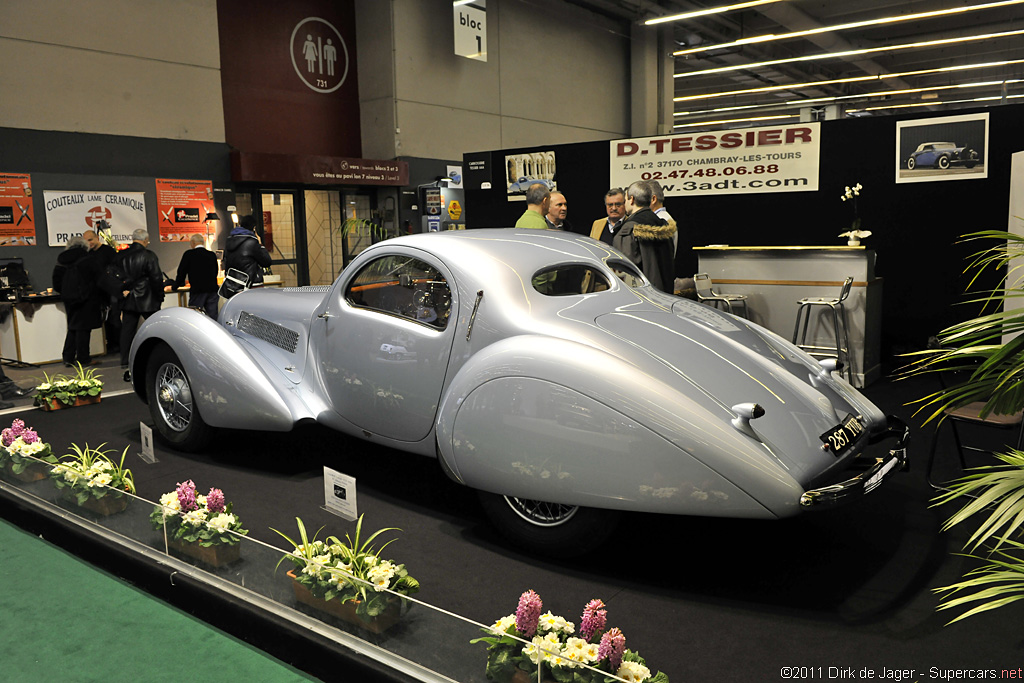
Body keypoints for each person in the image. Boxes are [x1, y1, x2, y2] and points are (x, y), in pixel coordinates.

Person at [615, 181, 676, 293]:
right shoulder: (663, 225)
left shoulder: (629, 229)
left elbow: (625, 271)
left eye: (625, 200)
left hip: (640, 298)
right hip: (665, 295)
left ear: (632, 199)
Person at [53, 236, 104, 367]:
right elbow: (98, 279)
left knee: (72, 326)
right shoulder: (88, 259)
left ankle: (68, 357)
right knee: (84, 328)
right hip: (87, 298)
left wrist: (66, 292)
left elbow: (56, 281)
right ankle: (84, 358)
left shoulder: (61, 259)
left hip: (68, 298)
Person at [117, 229, 164, 368]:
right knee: (155, 328)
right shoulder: (149, 255)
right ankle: (158, 356)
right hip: (147, 297)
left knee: (127, 330)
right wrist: (159, 295)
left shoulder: (121, 255)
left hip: (128, 297)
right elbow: (156, 277)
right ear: (145, 240)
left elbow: (114, 275)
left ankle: (125, 360)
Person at [83, 224, 121, 353]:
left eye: (90, 240)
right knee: (103, 320)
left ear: (97, 238)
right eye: (86, 241)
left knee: (114, 319)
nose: (89, 243)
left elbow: (116, 270)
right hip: (98, 292)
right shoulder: (88, 255)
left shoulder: (108, 251)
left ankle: (117, 344)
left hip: (111, 290)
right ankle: (108, 345)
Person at [171, 234, 219, 318]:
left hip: (198, 290)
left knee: (195, 316)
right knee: (213, 317)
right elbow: (215, 271)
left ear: (192, 243)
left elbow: (181, 273)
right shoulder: (211, 254)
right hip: (212, 290)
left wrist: (174, 286)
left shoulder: (189, 254)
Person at [223, 215, 272, 287]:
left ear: (240, 225)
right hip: (251, 284)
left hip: (234, 284)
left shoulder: (229, 240)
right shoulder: (252, 242)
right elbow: (267, 262)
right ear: (254, 228)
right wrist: (260, 244)